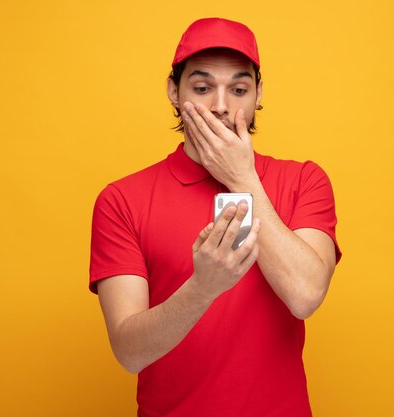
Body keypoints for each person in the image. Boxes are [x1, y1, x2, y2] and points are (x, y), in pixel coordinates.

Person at [89, 17, 342, 417]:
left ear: (259, 94)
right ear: (174, 91)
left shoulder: (304, 181)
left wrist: (241, 177)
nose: (221, 106)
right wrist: (203, 287)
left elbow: (306, 295)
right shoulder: (122, 199)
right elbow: (129, 352)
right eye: (202, 88)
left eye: (239, 89)